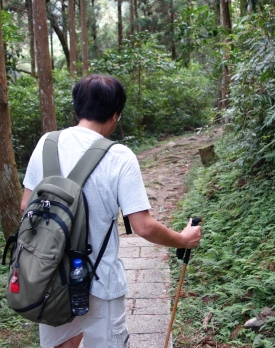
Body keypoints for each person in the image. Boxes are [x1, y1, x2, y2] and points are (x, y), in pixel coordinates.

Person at [20, 74, 202, 348]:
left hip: (50, 274)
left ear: (76, 109)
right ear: (116, 115)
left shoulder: (47, 144)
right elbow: (143, 226)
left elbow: (26, 206)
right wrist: (184, 239)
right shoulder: (119, 156)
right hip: (99, 280)